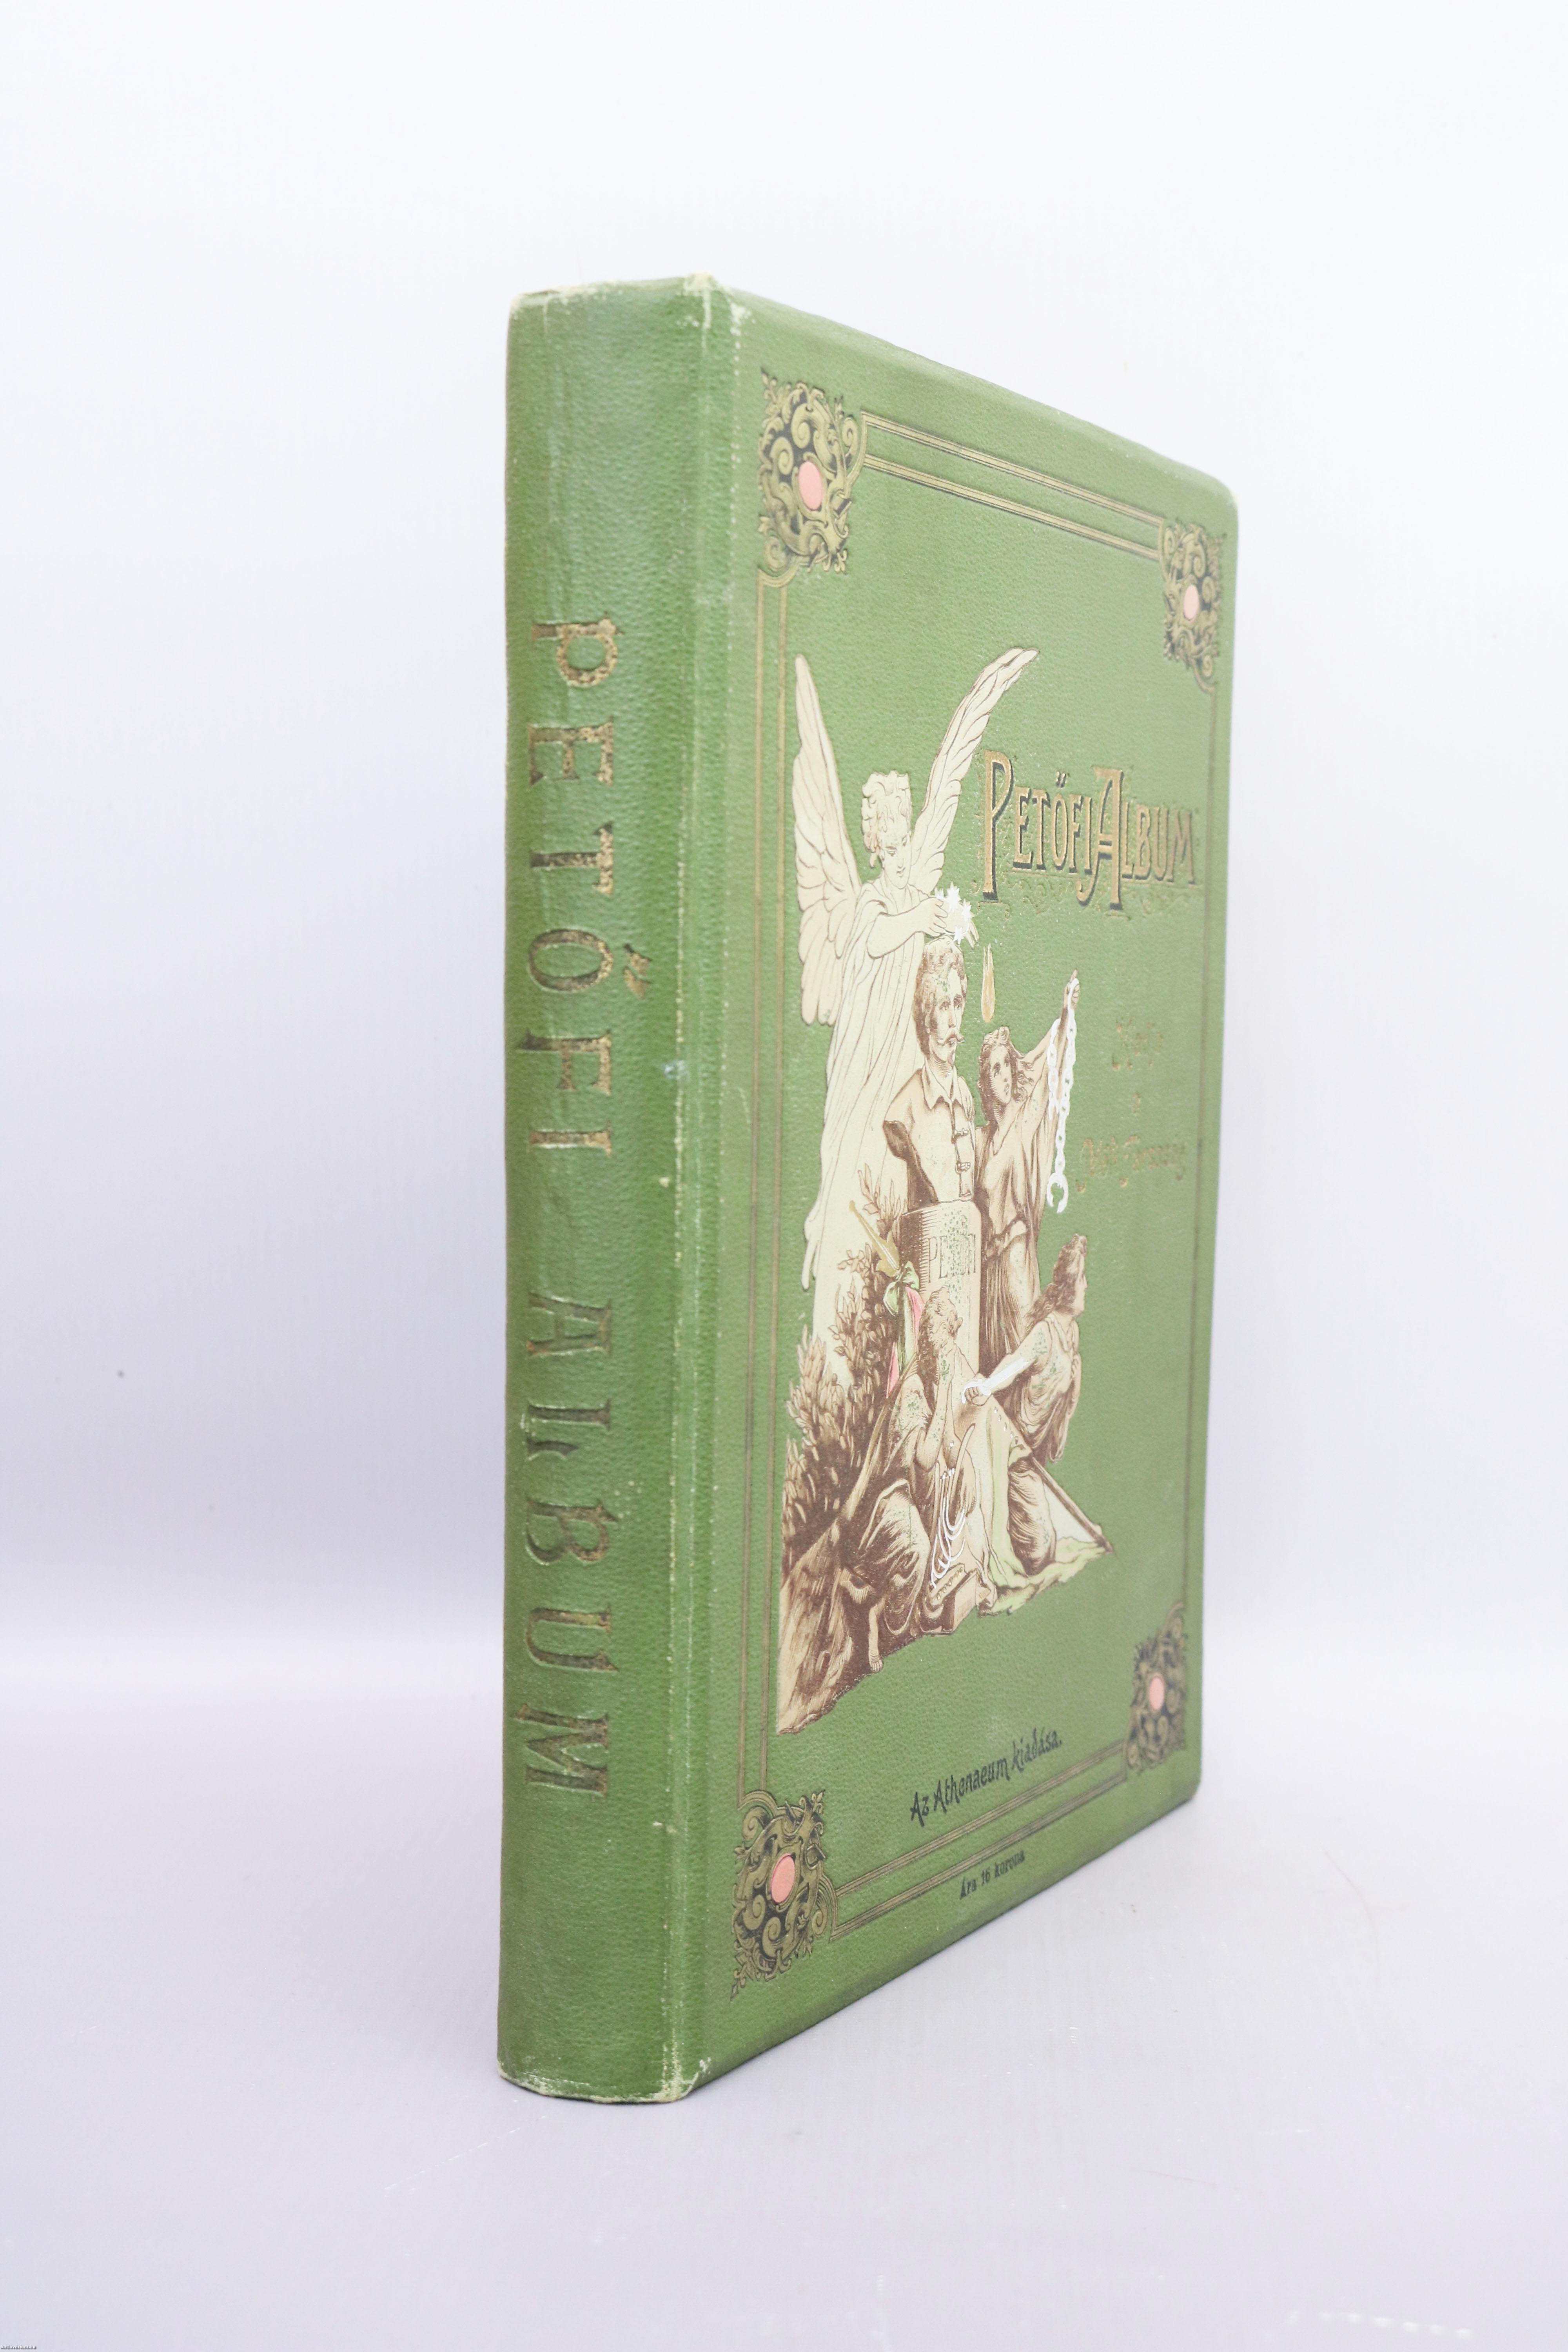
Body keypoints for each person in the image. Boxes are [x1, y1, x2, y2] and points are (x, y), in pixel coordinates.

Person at [972, 971, 1078, 1374]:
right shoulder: (982, 1141)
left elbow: (1048, 1076)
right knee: (993, 1357)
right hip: (990, 1269)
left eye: (1006, 1067)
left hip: (1016, 1257)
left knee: (1022, 1353)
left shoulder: (1023, 1123)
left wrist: (1066, 1017)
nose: (1003, 1076)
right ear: (985, 1083)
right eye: (994, 1070)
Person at [962, 1233, 1088, 1466]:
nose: (1086, 1286)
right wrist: (987, 1387)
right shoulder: (1046, 1334)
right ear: (1069, 1287)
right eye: (1082, 1279)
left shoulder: (1072, 1333)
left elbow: (1065, 1399)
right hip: (1016, 1437)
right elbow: (1016, 1363)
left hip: (1039, 1441)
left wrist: (1076, 1382)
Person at [882, 941, 977, 1208]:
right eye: (944, 1006)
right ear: (926, 1016)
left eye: (957, 1004)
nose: (953, 1022)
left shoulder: (965, 1096)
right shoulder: (904, 1109)